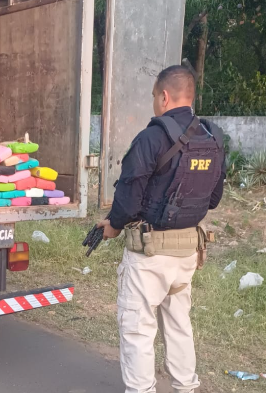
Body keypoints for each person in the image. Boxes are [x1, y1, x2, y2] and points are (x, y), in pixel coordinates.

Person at [97, 65, 226, 393]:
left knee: (138, 328)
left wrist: (112, 226)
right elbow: (213, 199)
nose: (155, 102)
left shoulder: (151, 138)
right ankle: (186, 387)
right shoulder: (211, 138)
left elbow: (128, 199)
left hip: (149, 254)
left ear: (164, 96)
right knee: (180, 325)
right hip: (187, 256)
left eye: (155, 96)